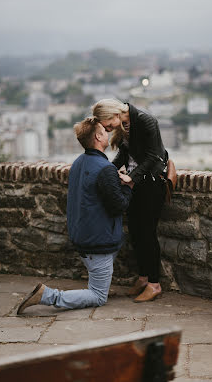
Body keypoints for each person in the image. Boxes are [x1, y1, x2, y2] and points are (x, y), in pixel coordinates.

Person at [17, 117, 133, 314]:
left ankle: (94, 286)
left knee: (97, 283)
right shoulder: (105, 169)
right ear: (98, 136)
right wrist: (129, 187)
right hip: (98, 241)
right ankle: (47, 295)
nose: (108, 133)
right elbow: (118, 206)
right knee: (98, 296)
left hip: (84, 235)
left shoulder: (79, 162)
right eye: (104, 131)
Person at [92, 99, 168, 302]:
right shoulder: (125, 125)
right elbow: (124, 156)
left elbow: (154, 156)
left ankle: (154, 284)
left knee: (147, 233)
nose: (106, 129)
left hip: (151, 183)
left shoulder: (145, 120)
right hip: (136, 185)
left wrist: (132, 177)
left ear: (111, 115)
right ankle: (143, 278)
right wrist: (105, 169)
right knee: (135, 231)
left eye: (106, 124)